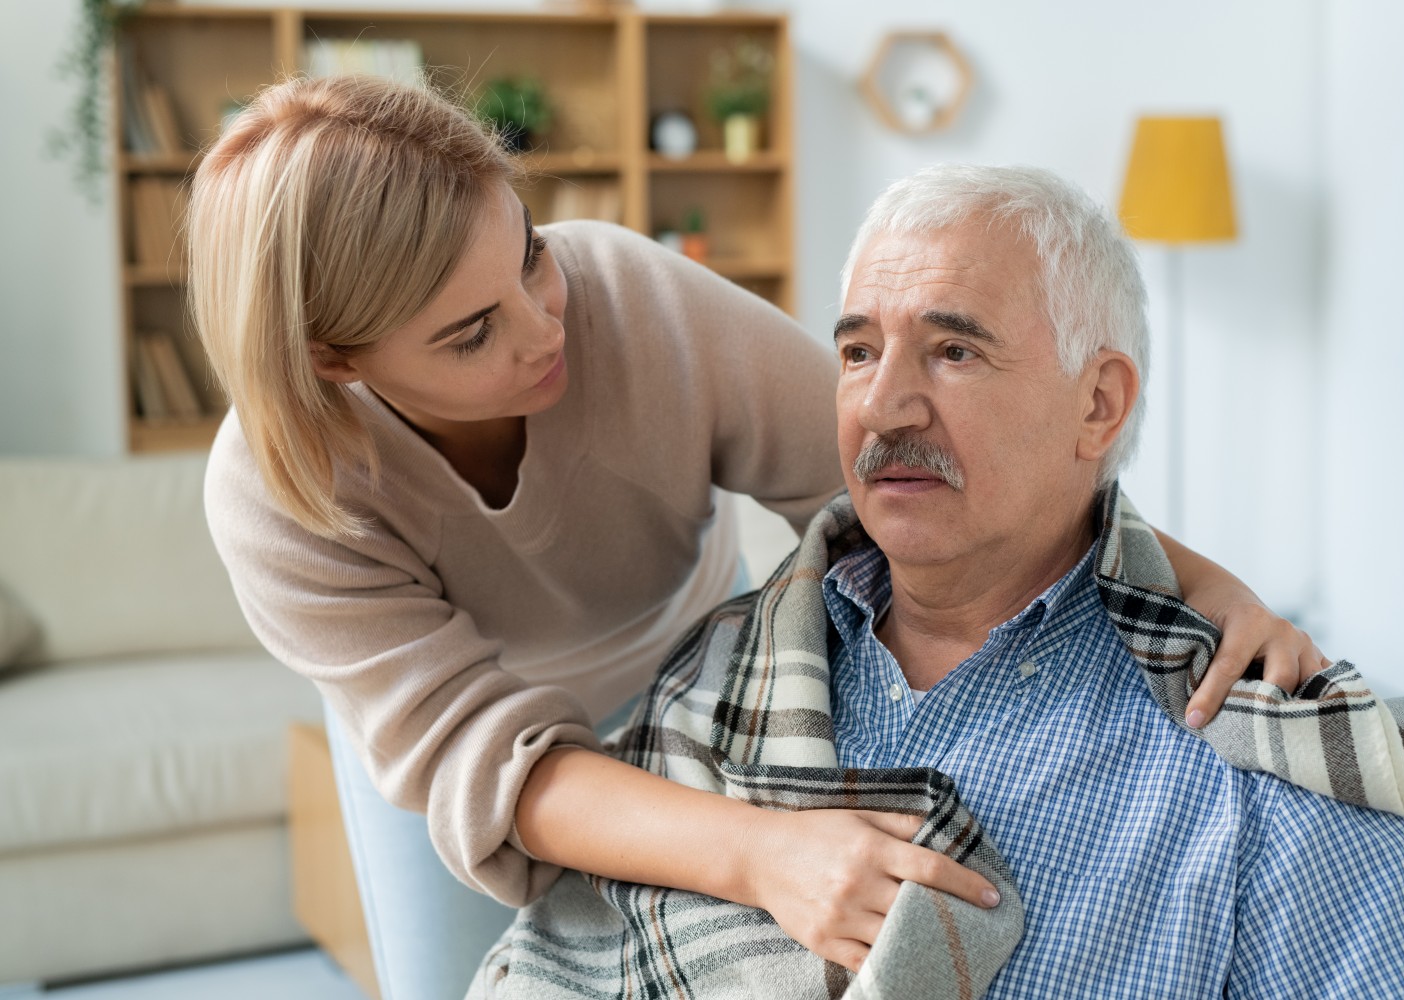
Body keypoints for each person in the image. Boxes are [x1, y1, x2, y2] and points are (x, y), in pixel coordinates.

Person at [188, 77, 1334, 1000]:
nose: (547, 327)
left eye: (529, 251)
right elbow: (489, 769)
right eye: (475, 330)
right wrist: (762, 852)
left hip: (697, 686)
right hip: (480, 770)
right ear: (339, 362)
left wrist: (1204, 581)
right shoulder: (277, 497)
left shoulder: (630, 299)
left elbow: (902, 471)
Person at [474, 164, 1404, 999]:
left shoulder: (1267, 767)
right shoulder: (715, 686)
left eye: (954, 349)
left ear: (1098, 404)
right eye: (858, 350)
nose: (885, 407)